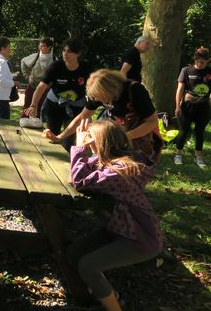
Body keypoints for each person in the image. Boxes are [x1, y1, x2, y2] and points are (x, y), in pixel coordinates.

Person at [67, 119, 162, 311]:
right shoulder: (111, 161)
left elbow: (79, 180)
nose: (86, 140)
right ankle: (105, 294)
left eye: (89, 138)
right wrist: (84, 150)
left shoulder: (118, 172)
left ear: (100, 143)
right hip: (120, 230)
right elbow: (84, 170)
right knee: (74, 252)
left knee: (88, 265)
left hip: (140, 239)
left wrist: (78, 148)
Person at [43, 69, 161, 160]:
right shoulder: (98, 93)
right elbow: (82, 117)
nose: (97, 100)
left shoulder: (135, 91)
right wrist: (60, 137)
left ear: (110, 90)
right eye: (95, 97)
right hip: (117, 134)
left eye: (99, 97)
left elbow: (152, 121)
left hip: (139, 138)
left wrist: (125, 136)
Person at [24, 38, 92, 150]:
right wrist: (33, 105)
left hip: (76, 107)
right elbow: (41, 87)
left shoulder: (86, 68)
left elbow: (92, 87)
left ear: (78, 54)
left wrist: (90, 107)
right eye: (64, 50)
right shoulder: (56, 66)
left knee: (69, 142)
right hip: (54, 105)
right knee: (51, 137)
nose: (65, 54)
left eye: (69, 51)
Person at [174, 47, 211, 168]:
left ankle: (198, 156)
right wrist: (177, 106)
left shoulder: (209, 72)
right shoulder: (186, 70)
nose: (199, 64)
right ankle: (178, 154)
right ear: (194, 60)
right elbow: (180, 89)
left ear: (208, 61)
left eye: (202, 62)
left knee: (199, 132)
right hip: (187, 106)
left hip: (204, 106)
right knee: (184, 131)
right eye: (197, 61)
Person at [20, 38, 54, 117]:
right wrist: (26, 75)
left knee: (41, 109)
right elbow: (23, 61)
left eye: (43, 46)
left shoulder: (54, 59)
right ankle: (22, 123)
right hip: (33, 85)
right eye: (40, 46)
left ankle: (37, 125)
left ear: (49, 47)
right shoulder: (35, 56)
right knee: (27, 107)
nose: (40, 48)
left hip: (45, 88)